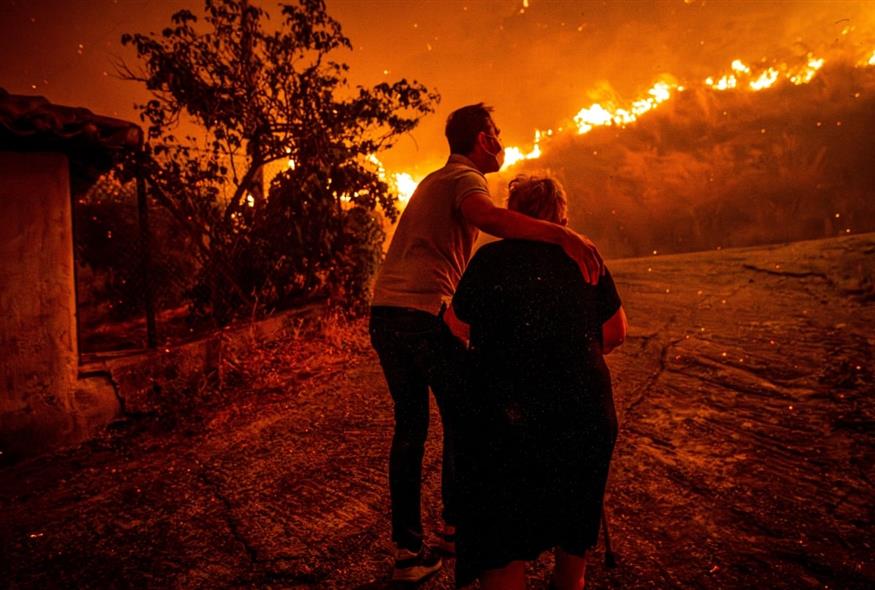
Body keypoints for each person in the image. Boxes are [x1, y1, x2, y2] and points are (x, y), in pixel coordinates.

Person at [369, 104, 604, 584]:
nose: (501, 140)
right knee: (475, 416)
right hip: (422, 313)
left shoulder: (433, 180)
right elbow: (490, 218)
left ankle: (408, 553)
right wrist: (562, 235)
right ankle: (458, 530)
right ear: (483, 139)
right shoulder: (465, 178)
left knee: (411, 429)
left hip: (385, 313)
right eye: (496, 132)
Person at [447, 175, 628, 590]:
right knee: (572, 538)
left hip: (507, 421)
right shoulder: (584, 256)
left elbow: (457, 325)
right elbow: (615, 333)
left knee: (504, 544)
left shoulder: (490, 260)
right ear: (562, 217)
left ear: (513, 215)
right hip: (583, 417)